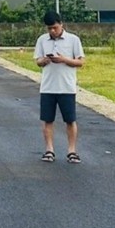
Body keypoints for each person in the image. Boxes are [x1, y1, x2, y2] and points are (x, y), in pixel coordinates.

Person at [34, 10, 86, 164]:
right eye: (49, 28)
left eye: (55, 27)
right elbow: (37, 60)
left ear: (61, 24)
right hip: (48, 87)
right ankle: (49, 150)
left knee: (70, 120)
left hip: (67, 87)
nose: (52, 31)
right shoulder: (42, 40)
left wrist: (64, 60)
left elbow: (81, 62)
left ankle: (72, 151)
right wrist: (44, 61)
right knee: (47, 120)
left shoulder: (73, 40)